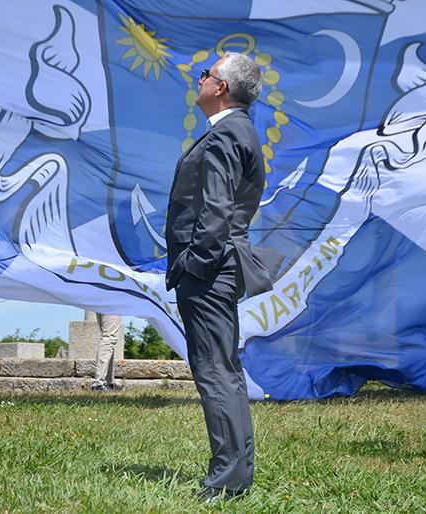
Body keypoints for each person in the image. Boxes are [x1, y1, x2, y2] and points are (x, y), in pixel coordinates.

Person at [165, 52, 273, 502]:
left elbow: (216, 209)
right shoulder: (238, 132)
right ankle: (235, 473)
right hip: (219, 266)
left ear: (220, 87)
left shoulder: (227, 134)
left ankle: (228, 481)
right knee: (223, 368)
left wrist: (196, 262)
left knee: (214, 370)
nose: (201, 78)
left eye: (206, 74)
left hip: (209, 269)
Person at [90, 313, 123, 391]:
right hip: (113, 301)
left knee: (108, 337)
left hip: (101, 301)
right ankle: (99, 384)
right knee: (109, 337)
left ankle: (108, 382)